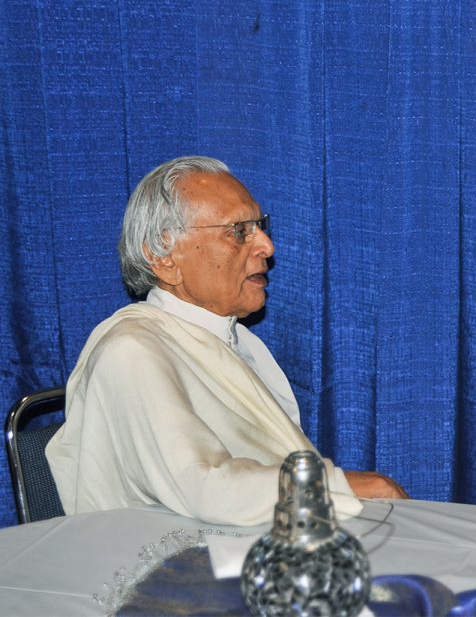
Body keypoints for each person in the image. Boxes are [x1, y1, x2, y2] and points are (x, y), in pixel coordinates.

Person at [46, 156, 408, 526]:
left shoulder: (242, 341)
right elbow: (205, 488)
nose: (266, 246)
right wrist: (342, 486)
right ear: (163, 257)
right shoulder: (131, 351)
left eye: (260, 227)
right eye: (238, 231)